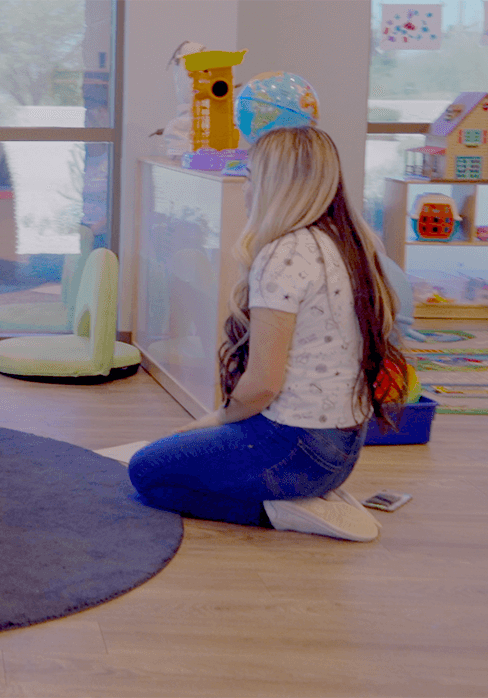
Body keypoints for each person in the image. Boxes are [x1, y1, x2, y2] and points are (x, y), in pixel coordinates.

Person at [127, 126, 405, 542]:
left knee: (147, 472)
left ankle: (282, 510)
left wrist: (214, 420)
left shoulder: (284, 254)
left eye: (251, 177)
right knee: (181, 456)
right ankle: (303, 496)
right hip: (342, 451)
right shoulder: (349, 245)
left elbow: (263, 384)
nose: (246, 188)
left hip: (295, 450)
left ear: (275, 186)